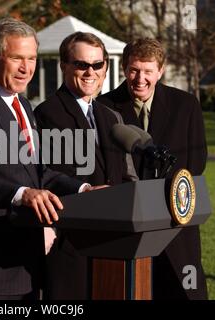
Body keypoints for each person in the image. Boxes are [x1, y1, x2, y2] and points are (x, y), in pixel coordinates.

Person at [0, 18, 97, 300]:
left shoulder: (23, 104)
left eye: (32, 59)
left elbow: (37, 172)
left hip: (25, 265)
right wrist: (21, 194)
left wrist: (83, 190)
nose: (27, 68)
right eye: (16, 58)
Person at [97, 38, 208, 299]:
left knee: (186, 293)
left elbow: (197, 162)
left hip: (177, 224)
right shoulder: (103, 108)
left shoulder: (186, 105)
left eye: (148, 71)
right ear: (124, 68)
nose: (140, 78)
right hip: (127, 227)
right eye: (134, 70)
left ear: (160, 70)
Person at [34, 32, 137, 299]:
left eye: (97, 64)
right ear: (64, 66)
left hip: (112, 242)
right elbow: (52, 176)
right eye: (81, 64)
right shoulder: (48, 114)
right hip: (71, 243)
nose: (90, 72)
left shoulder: (109, 116)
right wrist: (89, 191)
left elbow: (122, 175)